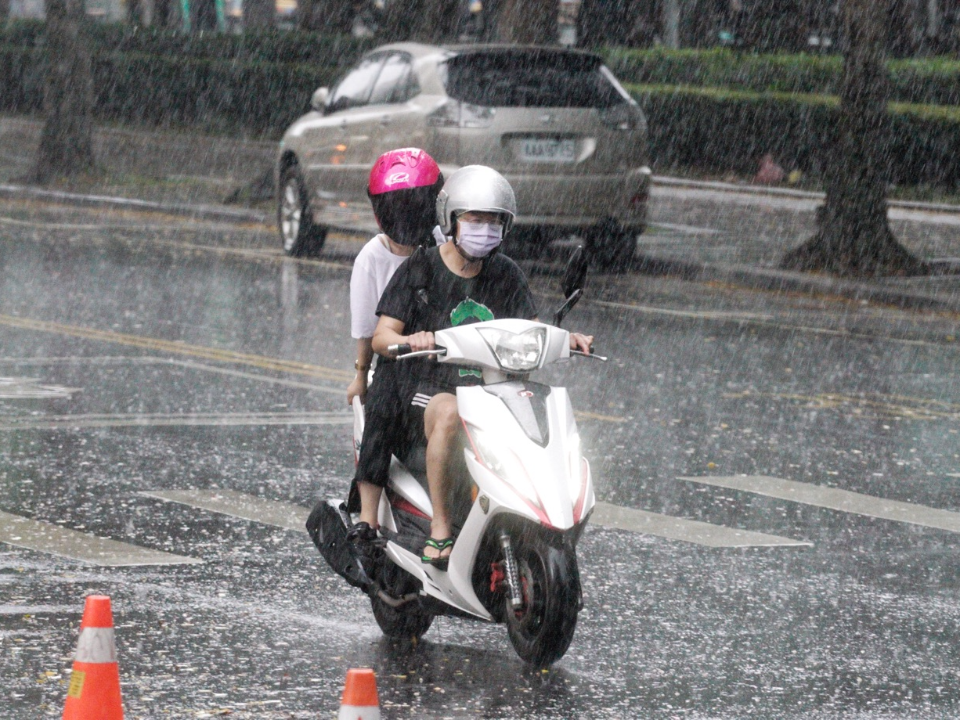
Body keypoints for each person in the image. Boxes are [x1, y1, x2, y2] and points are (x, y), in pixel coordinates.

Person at [372, 166, 593, 569]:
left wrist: (566, 338)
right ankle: (441, 527)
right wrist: (411, 341)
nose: (485, 230)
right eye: (475, 219)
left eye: (494, 222)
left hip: (491, 390)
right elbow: (382, 335)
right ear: (451, 219)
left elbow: (528, 326)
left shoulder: (505, 273)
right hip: (431, 388)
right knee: (451, 412)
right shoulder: (423, 267)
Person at [338, 148, 444, 555]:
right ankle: (367, 517)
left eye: (416, 206)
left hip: (448, 358)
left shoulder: (444, 246)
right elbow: (366, 330)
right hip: (399, 361)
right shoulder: (372, 259)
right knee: (380, 414)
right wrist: (362, 374)